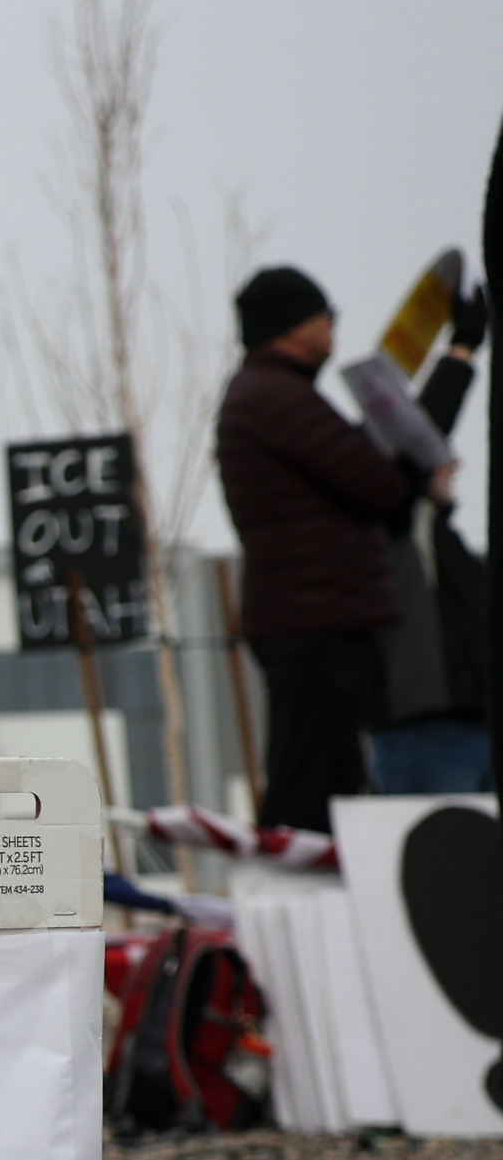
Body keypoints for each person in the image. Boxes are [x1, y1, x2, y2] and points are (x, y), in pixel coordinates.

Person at [214, 264, 458, 832]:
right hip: (314, 619)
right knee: (310, 779)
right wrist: (410, 471)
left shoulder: (264, 394)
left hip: (310, 614)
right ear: (296, 325)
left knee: (327, 773)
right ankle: (291, 899)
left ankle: (312, 894)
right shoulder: (280, 397)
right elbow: (375, 484)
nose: (332, 329)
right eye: (327, 315)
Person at [371, 285, 492, 794]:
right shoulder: (395, 528)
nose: (453, 463)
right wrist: (460, 352)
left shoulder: (442, 541)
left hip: (472, 721)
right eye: (440, 456)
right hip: (429, 726)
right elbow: (414, 439)